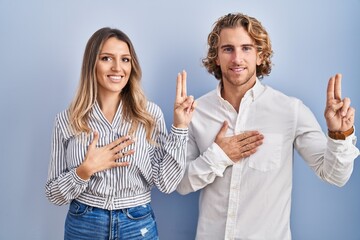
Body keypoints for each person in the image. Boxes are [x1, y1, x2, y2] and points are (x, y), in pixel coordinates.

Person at [176, 12, 359, 239]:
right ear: (216, 57)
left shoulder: (290, 110)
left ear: (260, 56)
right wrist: (219, 155)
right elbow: (181, 183)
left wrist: (339, 134)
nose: (237, 59)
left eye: (246, 48)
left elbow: (335, 176)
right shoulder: (196, 112)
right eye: (228, 49)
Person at [45, 27, 195, 239]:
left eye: (125, 59)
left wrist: (180, 127)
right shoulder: (66, 121)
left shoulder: (149, 115)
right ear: (91, 64)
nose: (117, 68)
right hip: (84, 225)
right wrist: (85, 171)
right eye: (107, 58)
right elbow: (54, 193)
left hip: (137, 224)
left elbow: (167, 183)